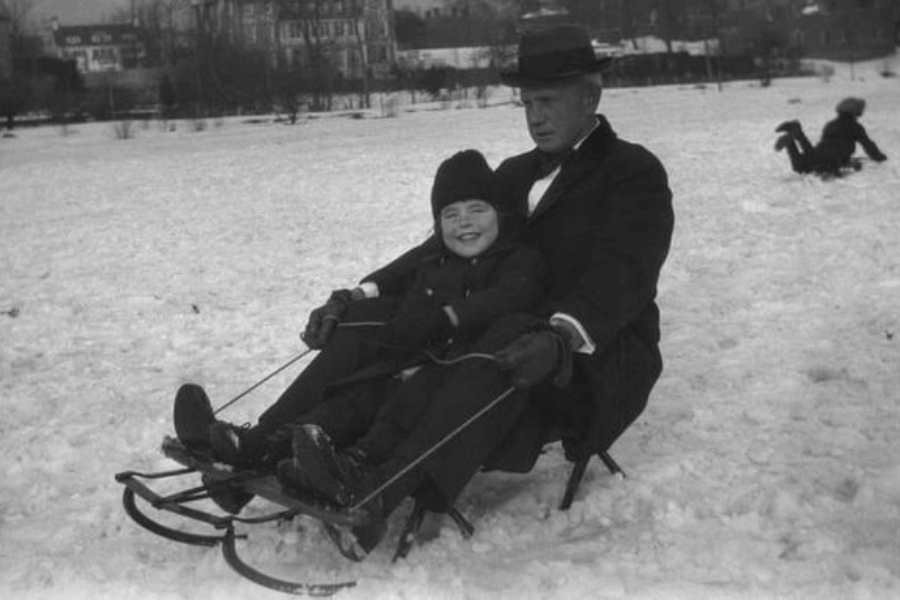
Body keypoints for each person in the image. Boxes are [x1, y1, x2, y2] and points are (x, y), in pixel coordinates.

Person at [276, 24, 674, 559]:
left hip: (583, 360)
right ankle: (272, 444)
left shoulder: (631, 172)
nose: (536, 116)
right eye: (527, 102)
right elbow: (439, 249)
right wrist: (360, 294)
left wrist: (561, 334)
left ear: (591, 96)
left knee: (506, 332)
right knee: (381, 319)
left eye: (549, 101)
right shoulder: (511, 175)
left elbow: (625, 276)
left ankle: (374, 492)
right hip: (491, 332)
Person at [174, 150, 547, 513]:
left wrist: (448, 315)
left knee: (391, 415)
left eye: (477, 210)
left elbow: (511, 295)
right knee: (343, 405)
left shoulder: (518, 259)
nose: (464, 222)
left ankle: (354, 471)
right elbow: (398, 279)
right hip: (403, 365)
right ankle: (256, 448)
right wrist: (354, 303)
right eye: (451, 214)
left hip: (452, 376)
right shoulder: (435, 261)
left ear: (500, 214)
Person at [774, 97, 888, 178]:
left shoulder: (830, 124)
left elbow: (824, 143)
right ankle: (794, 140)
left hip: (818, 151)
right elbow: (868, 145)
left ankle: (794, 135)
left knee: (801, 166)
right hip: (832, 158)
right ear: (856, 113)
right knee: (809, 167)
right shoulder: (855, 127)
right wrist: (879, 157)